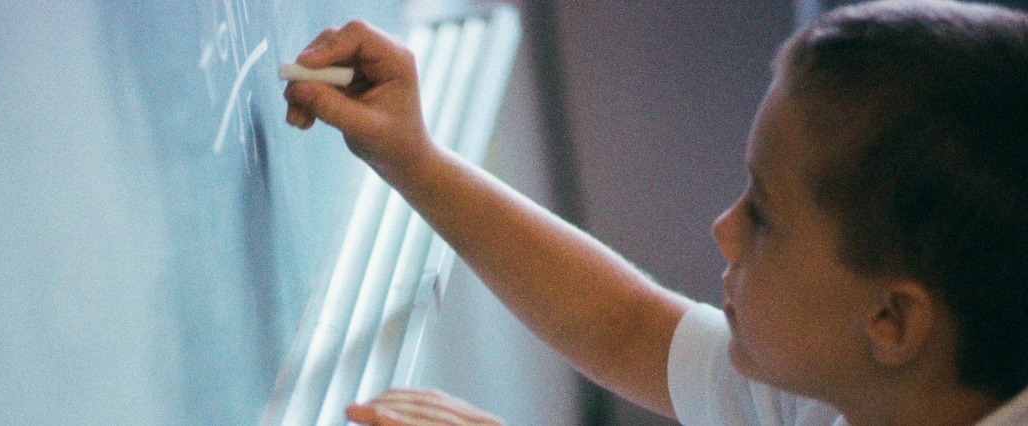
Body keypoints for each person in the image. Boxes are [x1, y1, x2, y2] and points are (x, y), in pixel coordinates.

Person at [282, 0, 1028, 424]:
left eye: (763, 216)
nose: (724, 229)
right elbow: (630, 328)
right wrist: (417, 162)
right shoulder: (866, 384)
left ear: (892, 322)